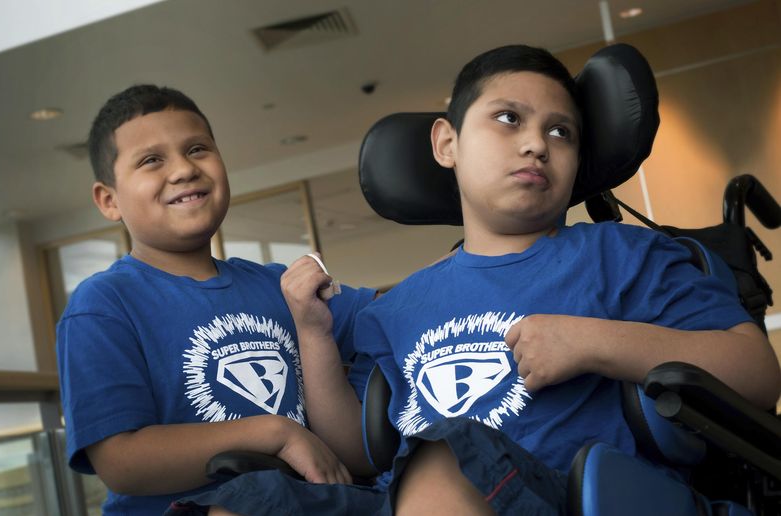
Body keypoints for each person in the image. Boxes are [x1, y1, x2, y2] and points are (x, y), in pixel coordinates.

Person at [280, 45, 781, 515]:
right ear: (447, 143)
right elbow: (358, 454)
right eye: (508, 118)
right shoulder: (394, 310)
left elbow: (756, 374)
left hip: (575, 496)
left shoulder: (621, 255)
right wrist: (312, 331)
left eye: (561, 132)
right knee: (255, 495)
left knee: (448, 452)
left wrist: (593, 342)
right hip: (415, 495)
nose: (537, 144)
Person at [56, 84, 386, 515]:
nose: (183, 170)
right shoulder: (101, 304)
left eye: (197, 149)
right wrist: (274, 433)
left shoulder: (278, 285)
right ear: (109, 200)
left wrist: (478, 256)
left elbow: (395, 310)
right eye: (151, 160)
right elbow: (120, 462)